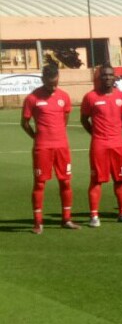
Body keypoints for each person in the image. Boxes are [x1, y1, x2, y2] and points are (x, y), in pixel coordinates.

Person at [22, 64, 78, 233]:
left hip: (62, 147)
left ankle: (66, 219)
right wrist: (37, 137)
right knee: (40, 184)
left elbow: (65, 118)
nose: (53, 87)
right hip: (43, 148)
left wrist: (57, 135)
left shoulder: (64, 96)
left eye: (55, 83)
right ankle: (38, 223)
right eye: (50, 84)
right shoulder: (32, 98)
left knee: (65, 181)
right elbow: (24, 123)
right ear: (43, 79)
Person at [80, 65, 122, 227]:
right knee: (96, 181)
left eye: (110, 75)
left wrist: (114, 133)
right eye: (104, 75)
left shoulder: (121, 97)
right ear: (99, 78)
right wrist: (96, 134)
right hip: (99, 145)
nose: (107, 78)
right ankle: (94, 216)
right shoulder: (90, 97)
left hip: (118, 144)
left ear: (114, 77)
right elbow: (84, 120)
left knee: (120, 179)